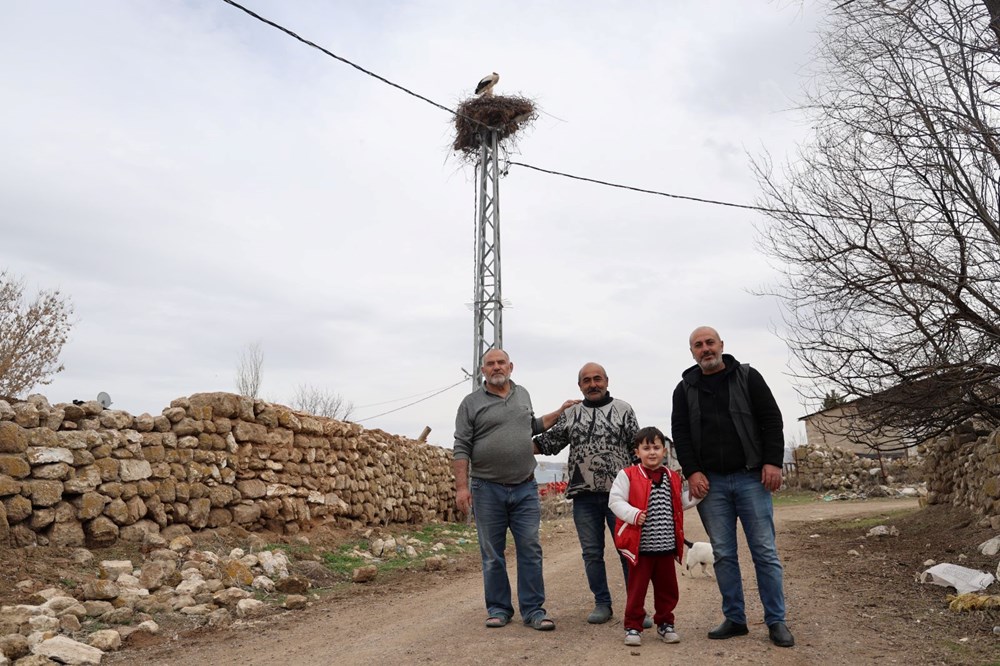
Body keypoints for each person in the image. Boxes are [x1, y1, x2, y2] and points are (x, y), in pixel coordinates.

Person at [670, 326, 795, 648]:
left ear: (721, 345)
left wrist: (773, 462)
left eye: (710, 343)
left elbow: (772, 419)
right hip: (710, 485)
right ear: (692, 352)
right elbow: (680, 435)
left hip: (752, 477)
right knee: (723, 554)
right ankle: (735, 618)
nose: (705, 349)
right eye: (698, 345)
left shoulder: (748, 377)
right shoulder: (684, 390)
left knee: (765, 552)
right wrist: (693, 472)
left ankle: (776, 620)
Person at [453, 348, 574, 631]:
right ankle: (498, 609)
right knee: (492, 552)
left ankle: (534, 611)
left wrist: (559, 412)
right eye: (490, 364)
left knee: (530, 549)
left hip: (524, 487)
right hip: (486, 488)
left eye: (501, 363)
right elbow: (461, 446)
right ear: (482, 370)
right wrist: (462, 487)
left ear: (511, 366)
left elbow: (529, 426)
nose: (496, 367)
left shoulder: (523, 395)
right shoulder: (470, 403)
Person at [533, 362, 640, 625]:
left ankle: (635, 608)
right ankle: (602, 604)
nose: (593, 384)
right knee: (592, 553)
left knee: (627, 551)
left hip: (621, 497)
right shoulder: (571, 414)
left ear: (606, 381)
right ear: (579, 386)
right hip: (583, 496)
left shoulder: (624, 410)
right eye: (587, 380)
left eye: (597, 379)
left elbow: (637, 450)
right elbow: (548, 443)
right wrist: (508, 448)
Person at [609, 426, 686, 646]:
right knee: (637, 590)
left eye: (656, 447)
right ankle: (633, 626)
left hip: (666, 546)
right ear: (637, 452)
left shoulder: (672, 477)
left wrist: (698, 496)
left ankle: (665, 623)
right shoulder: (628, 475)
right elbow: (615, 501)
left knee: (667, 590)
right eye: (646, 448)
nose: (651, 452)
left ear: (664, 451)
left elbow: (679, 504)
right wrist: (633, 515)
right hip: (640, 547)